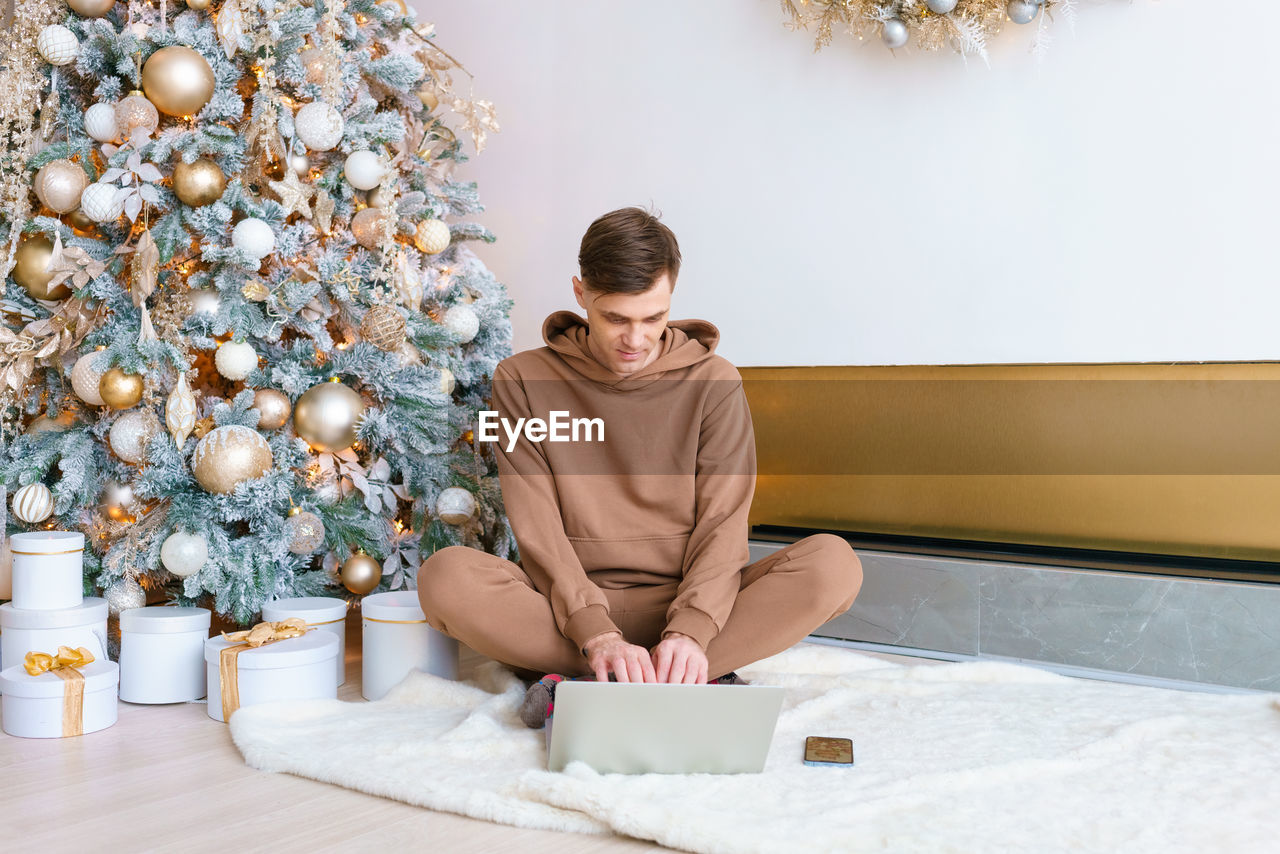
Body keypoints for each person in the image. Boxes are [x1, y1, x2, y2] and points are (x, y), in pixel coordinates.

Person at [417, 206, 863, 721]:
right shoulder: (521, 380)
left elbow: (722, 525)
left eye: (654, 317)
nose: (636, 339)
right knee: (444, 578)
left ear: (672, 295)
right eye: (616, 319)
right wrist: (596, 633)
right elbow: (537, 529)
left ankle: (612, 679)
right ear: (581, 295)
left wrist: (691, 629)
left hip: (699, 607)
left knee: (833, 565)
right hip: (567, 613)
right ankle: (660, 675)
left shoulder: (714, 382)